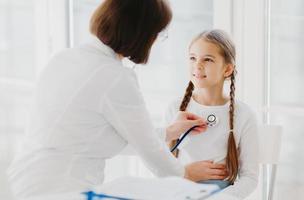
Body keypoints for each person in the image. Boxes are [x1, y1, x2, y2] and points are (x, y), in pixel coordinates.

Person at [162, 29, 259, 199]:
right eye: (192, 58)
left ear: (227, 69)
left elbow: (249, 178)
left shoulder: (244, 115)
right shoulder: (175, 108)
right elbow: (161, 167)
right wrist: (185, 173)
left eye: (207, 59)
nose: (197, 65)